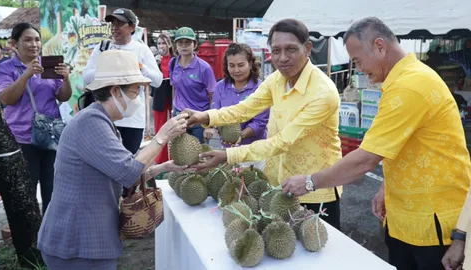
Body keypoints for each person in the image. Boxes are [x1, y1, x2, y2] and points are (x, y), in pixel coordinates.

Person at [281, 17, 471, 270]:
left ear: (380, 47)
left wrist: (309, 182)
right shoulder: (400, 80)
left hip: (433, 223)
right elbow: (402, 143)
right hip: (405, 217)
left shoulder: (410, 85)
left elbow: (365, 159)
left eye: (358, 61)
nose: (359, 70)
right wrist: (386, 186)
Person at [37, 50, 190, 270]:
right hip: (77, 242)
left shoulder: (102, 121)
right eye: (136, 92)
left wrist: (163, 167)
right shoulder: (91, 122)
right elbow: (128, 172)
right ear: (116, 91)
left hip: (86, 240)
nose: (138, 99)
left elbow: (119, 175)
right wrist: (162, 135)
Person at [185, 19, 343, 229]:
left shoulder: (323, 93)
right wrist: (204, 117)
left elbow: (282, 142)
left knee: (317, 253)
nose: (282, 58)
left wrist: (228, 155)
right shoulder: (277, 79)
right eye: (276, 50)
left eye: (291, 49)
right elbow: (244, 109)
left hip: (314, 188)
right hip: (280, 182)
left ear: (308, 49)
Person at [0, 22, 72, 215]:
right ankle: (31, 235)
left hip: (51, 137)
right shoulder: (5, 68)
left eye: (37, 39)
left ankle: (50, 231)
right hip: (22, 139)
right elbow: (6, 99)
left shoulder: (49, 64)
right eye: (27, 40)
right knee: (28, 188)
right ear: (15, 44)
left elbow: (63, 96)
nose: (34, 44)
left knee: (52, 187)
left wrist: (66, 79)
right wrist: (26, 75)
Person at [83, 8, 163, 157]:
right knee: (103, 163)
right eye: (112, 23)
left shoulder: (142, 50)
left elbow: (157, 81)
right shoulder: (102, 48)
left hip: (132, 121)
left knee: (127, 165)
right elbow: (86, 77)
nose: (114, 27)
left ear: (132, 27)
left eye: (120, 23)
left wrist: (140, 67)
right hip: (104, 118)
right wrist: (107, 67)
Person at [207, 43, 269, 169]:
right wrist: (217, 129)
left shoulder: (260, 88)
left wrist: (240, 136)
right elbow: (216, 113)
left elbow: (260, 122)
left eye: (241, 65)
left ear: (251, 64)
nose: (236, 70)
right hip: (228, 152)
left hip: (254, 150)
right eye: (231, 65)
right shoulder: (220, 87)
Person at [171, 27, 216, 144]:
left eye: (188, 42)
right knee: (180, 156)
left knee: (199, 157)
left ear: (194, 45)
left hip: (199, 117)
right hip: (180, 116)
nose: (184, 46)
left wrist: (210, 125)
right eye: (180, 43)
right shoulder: (173, 64)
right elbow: (174, 88)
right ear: (176, 45)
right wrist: (173, 110)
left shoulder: (204, 68)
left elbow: (213, 97)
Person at [152, 33, 175, 164]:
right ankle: (160, 160)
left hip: (172, 92)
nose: (161, 46)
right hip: (159, 93)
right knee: (159, 128)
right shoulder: (155, 60)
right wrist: (156, 63)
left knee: (174, 126)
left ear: (169, 44)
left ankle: (174, 158)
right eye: (159, 43)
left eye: (164, 43)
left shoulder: (175, 59)